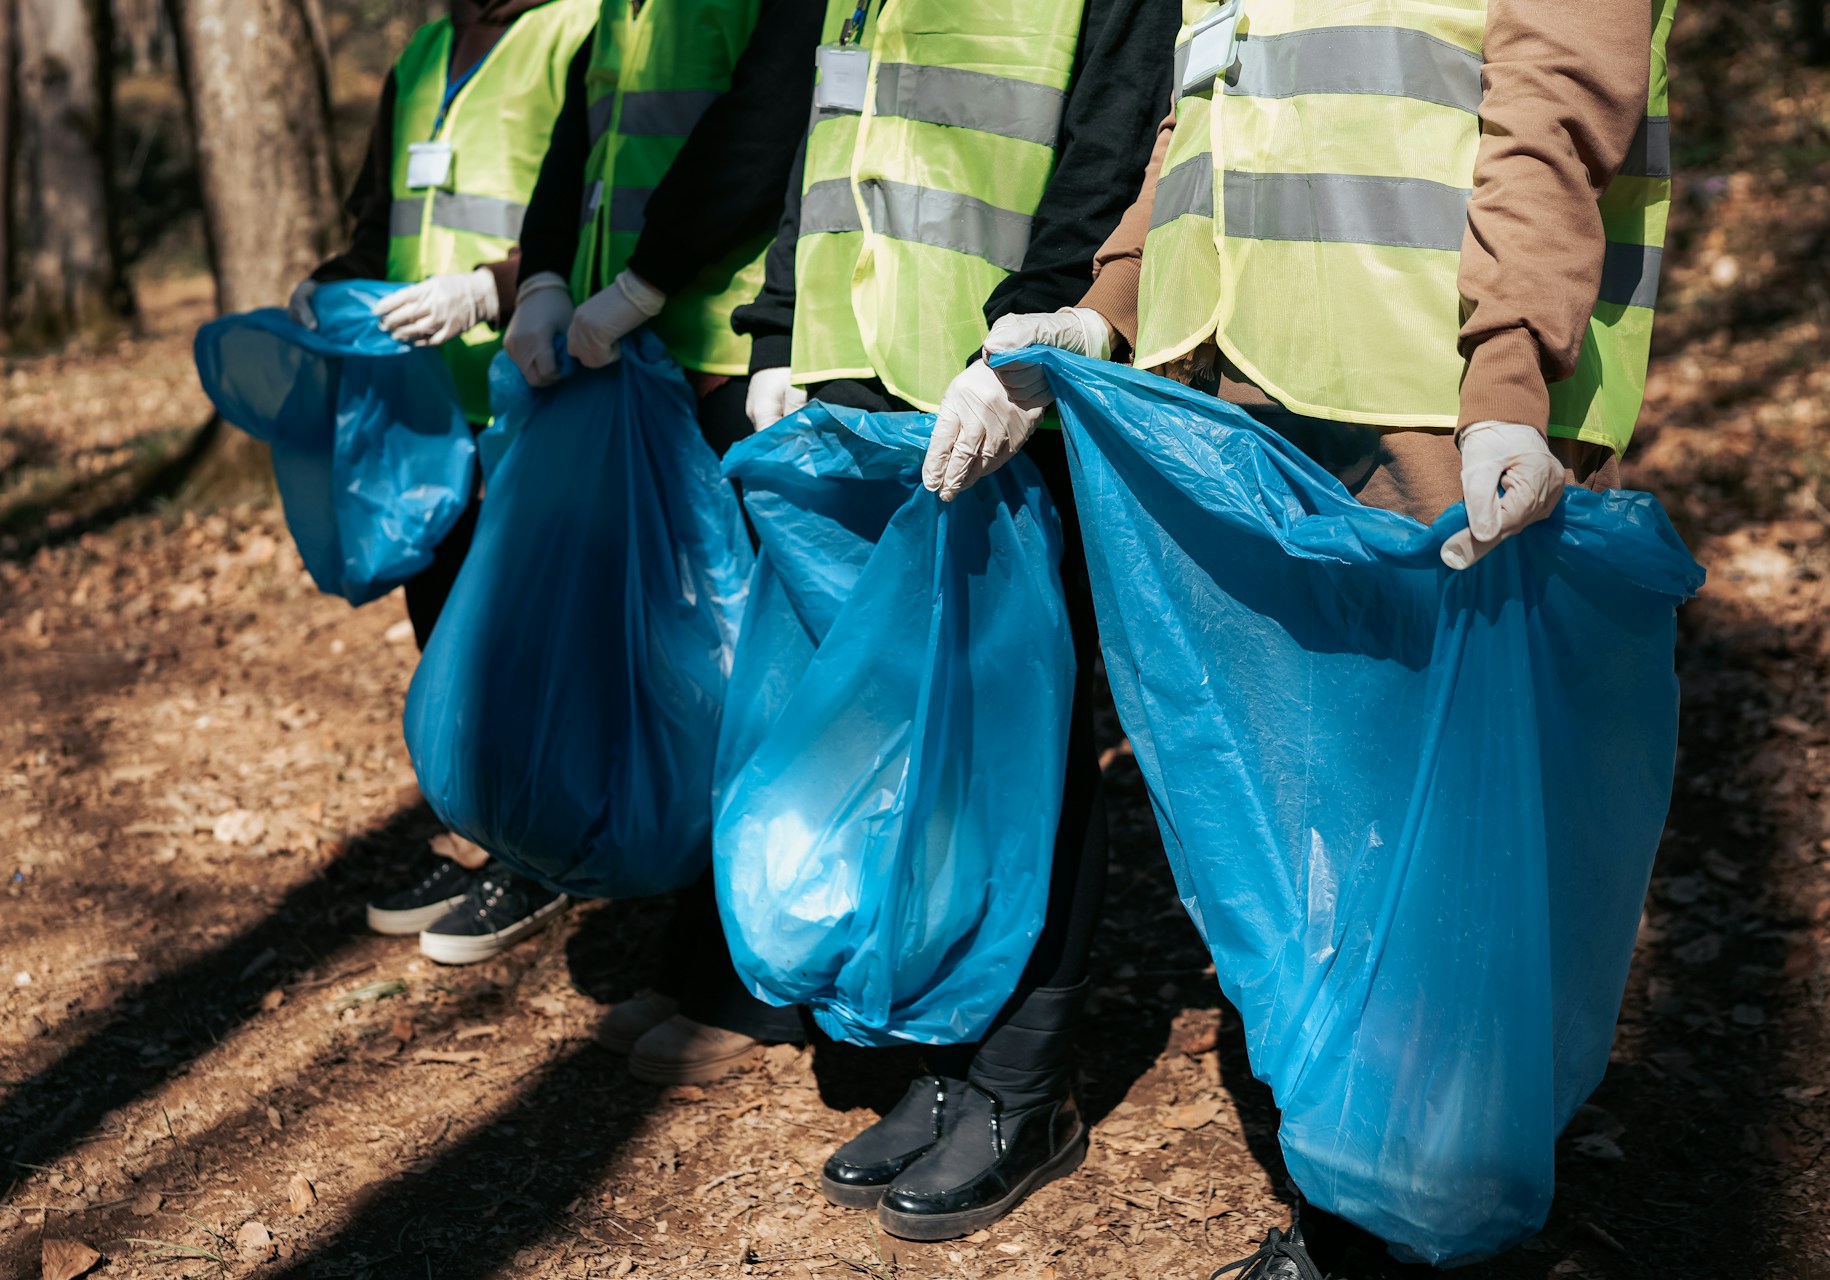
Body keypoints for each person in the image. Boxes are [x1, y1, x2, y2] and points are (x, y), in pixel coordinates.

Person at [929, 0, 1672, 1274]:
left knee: (1430, 830)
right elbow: (1205, 107)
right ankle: (1369, 1200)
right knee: (1325, 813)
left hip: (1426, 398)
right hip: (1253, 389)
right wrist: (1105, 302)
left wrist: (1506, 379)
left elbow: (1555, 99)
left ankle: (1424, 1226)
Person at [729, 0, 1179, 1242]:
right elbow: (829, 139)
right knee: (902, 735)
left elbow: (1117, 135)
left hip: (991, 384)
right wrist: (779, 325)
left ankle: (1025, 1087)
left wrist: (1036, 336)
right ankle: (940, 1047)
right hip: (855, 384)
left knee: (1020, 731)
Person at [499, 0, 828, 1084]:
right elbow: (576, 142)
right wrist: (545, 271)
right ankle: (697, 960)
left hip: (715, 349)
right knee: (690, 682)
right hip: (632, 360)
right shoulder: (618, 9)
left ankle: (752, 988)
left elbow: (769, 116)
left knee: (747, 682)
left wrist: (644, 282)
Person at [292, 0, 599, 967]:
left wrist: (490, 288)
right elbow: (380, 219)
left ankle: (536, 856)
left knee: (518, 638)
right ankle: (477, 834)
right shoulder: (422, 56)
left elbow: (589, 206)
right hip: (422, 408)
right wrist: (332, 279)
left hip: (529, 384)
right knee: (441, 630)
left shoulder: (573, 30)